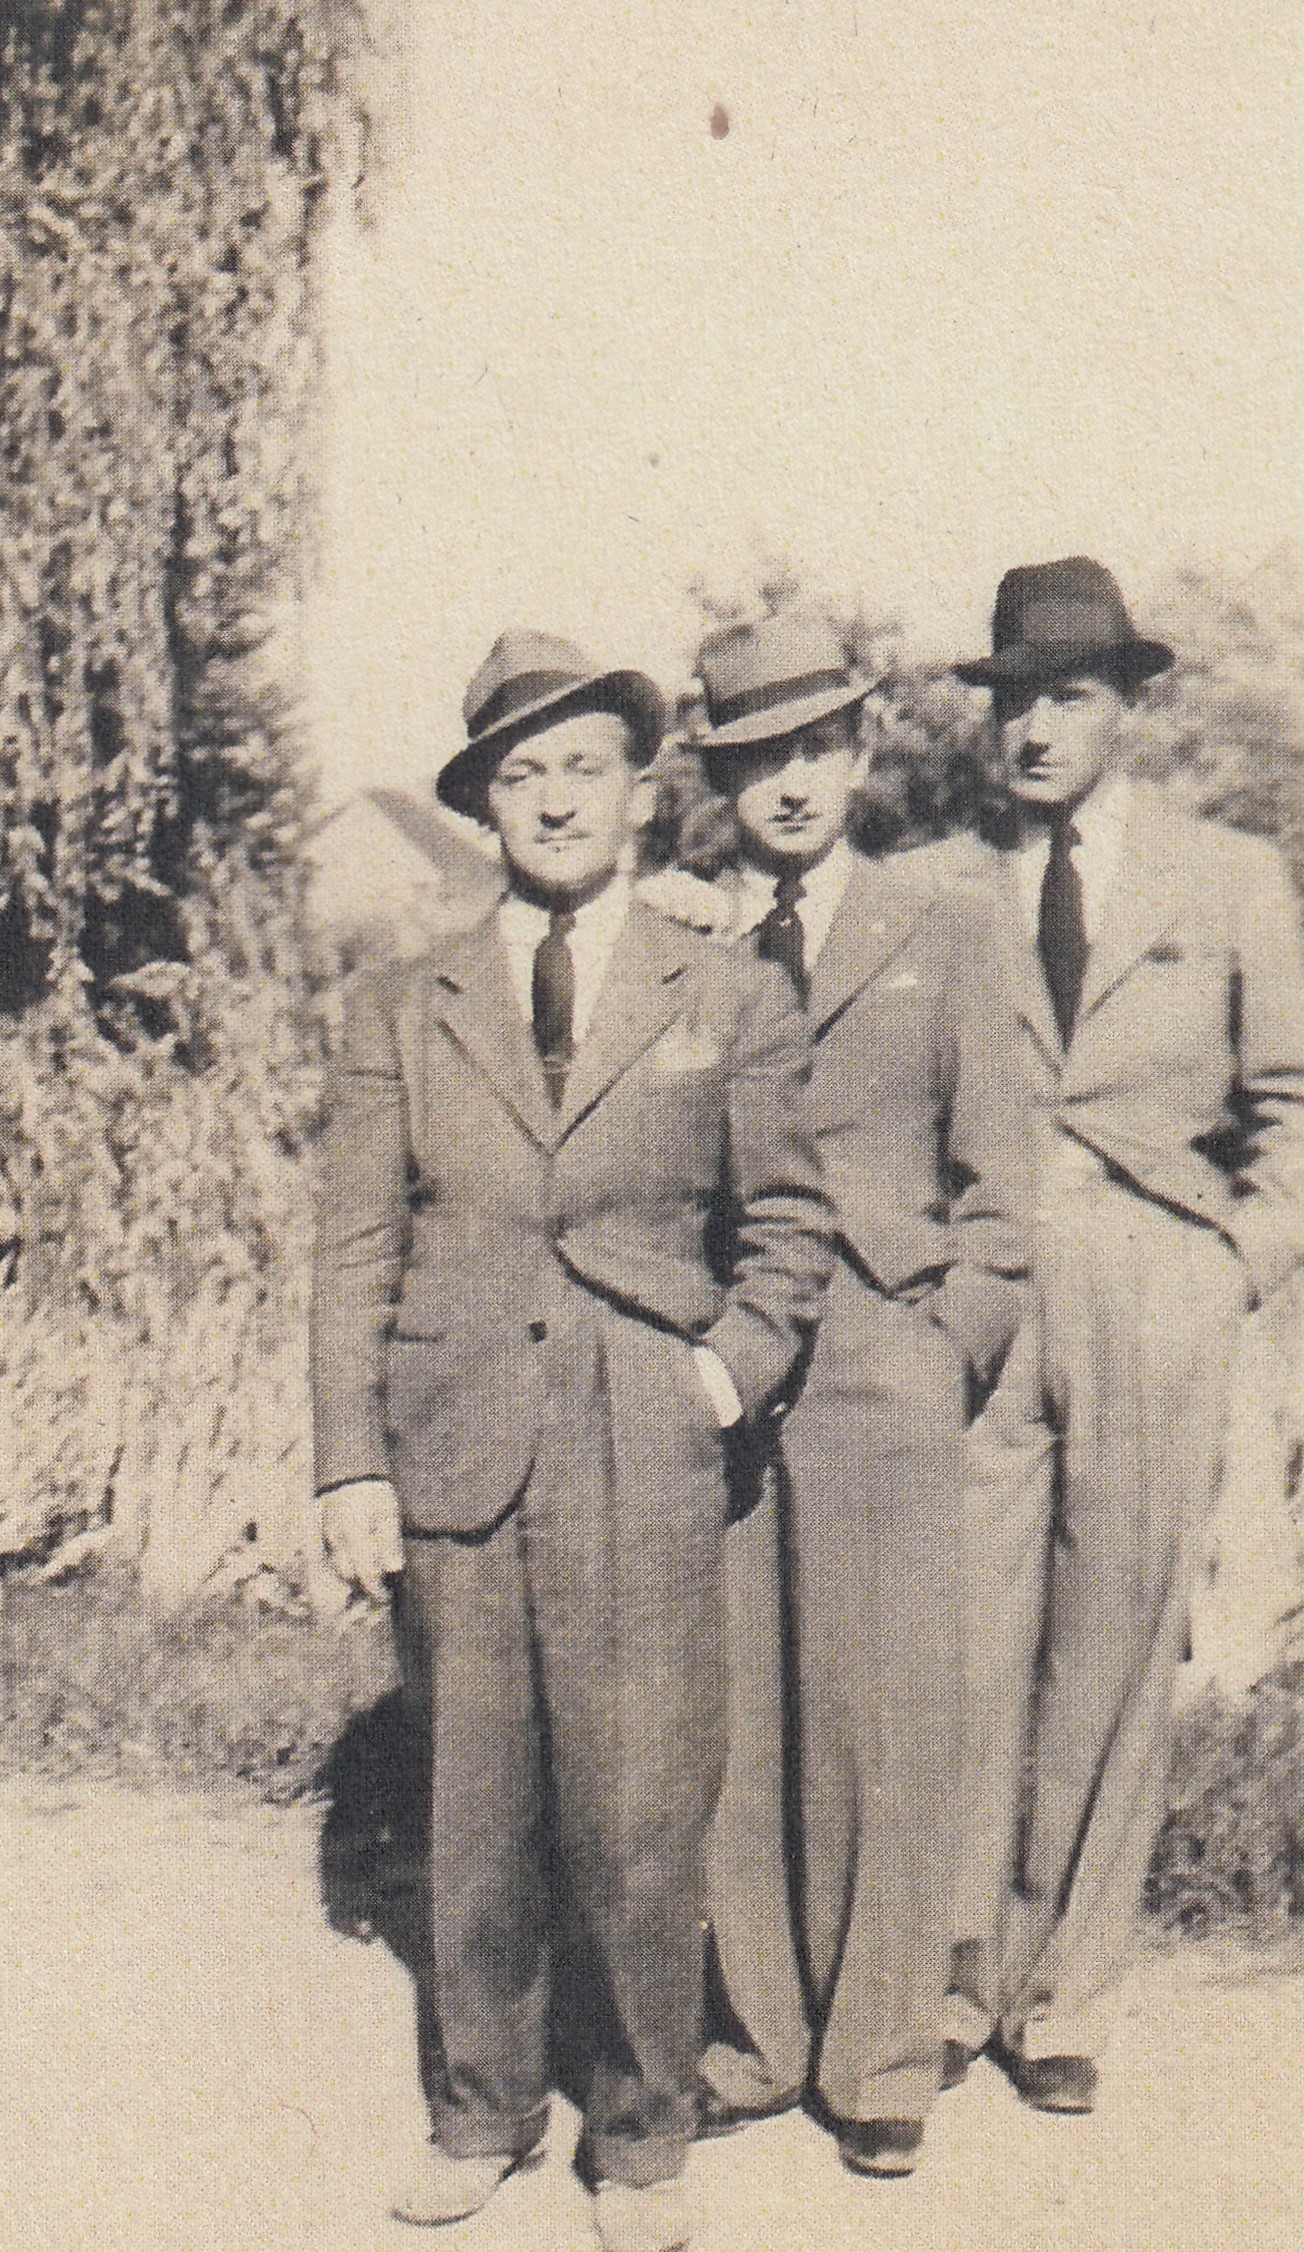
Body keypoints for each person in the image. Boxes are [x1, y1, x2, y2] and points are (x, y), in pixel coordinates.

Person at [309, 629, 832, 2252]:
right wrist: (349, 1462)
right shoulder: (404, 1003)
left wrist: (722, 1380)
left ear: (641, 789)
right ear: (482, 805)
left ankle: (641, 2136)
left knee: (638, 1813)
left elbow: (792, 1230)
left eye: (584, 768)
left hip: (642, 1443)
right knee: (473, 1806)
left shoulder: (727, 989)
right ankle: (480, 2111)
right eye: (520, 775)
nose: (553, 801)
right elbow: (354, 1249)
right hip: (458, 1440)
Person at [662, 608, 1026, 2179]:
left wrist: (953, 1345)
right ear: (720, 782)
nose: (793, 781)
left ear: (862, 748)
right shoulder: (684, 949)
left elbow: (1001, 1184)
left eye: (817, 745)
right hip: (735, 1361)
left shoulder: (942, 927)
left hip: (887, 1355)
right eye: (758, 758)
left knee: (891, 1712)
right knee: (740, 1713)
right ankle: (755, 2040)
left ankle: (881, 2057)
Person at [945, 556, 1304, 2112]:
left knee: (1112, 1644)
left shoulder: (1225, 878)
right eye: (1014, 699)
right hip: (982, 1303)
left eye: (1070, 697)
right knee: (969, 1646)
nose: (1036, 729)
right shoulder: (936, 886)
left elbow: (1294, 1104)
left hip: (1156, 1291)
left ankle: (1064, 1996)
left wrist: (1235, 1265)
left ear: (1125, 711)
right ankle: (954, 1976)